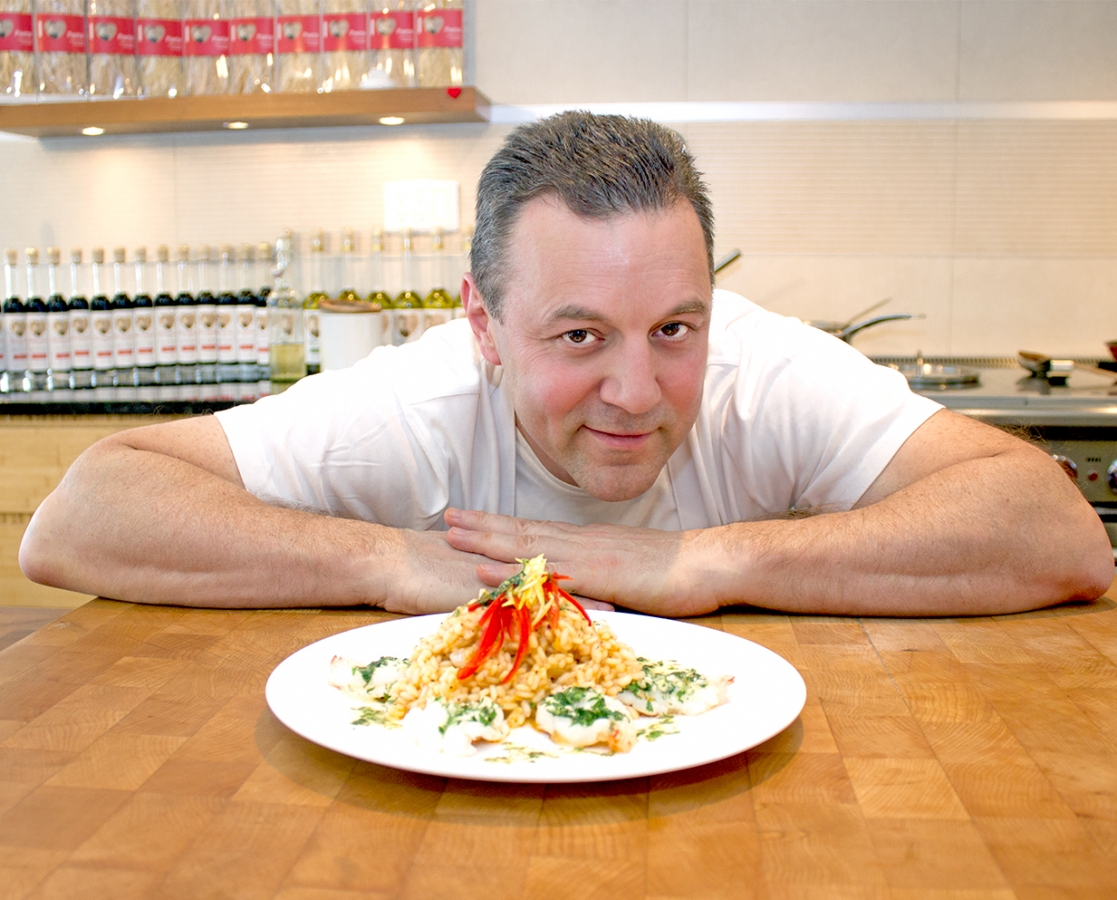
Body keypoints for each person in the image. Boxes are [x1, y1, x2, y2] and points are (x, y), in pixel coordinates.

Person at [19, 112, 1113, 617]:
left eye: (673, 330)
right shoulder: (417, 401)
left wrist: (710, 564)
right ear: (484, 327)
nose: (636, 393)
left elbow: (1052, 531)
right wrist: (379, 560)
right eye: (579, 336)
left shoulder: (766, 369)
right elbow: (86, 514)